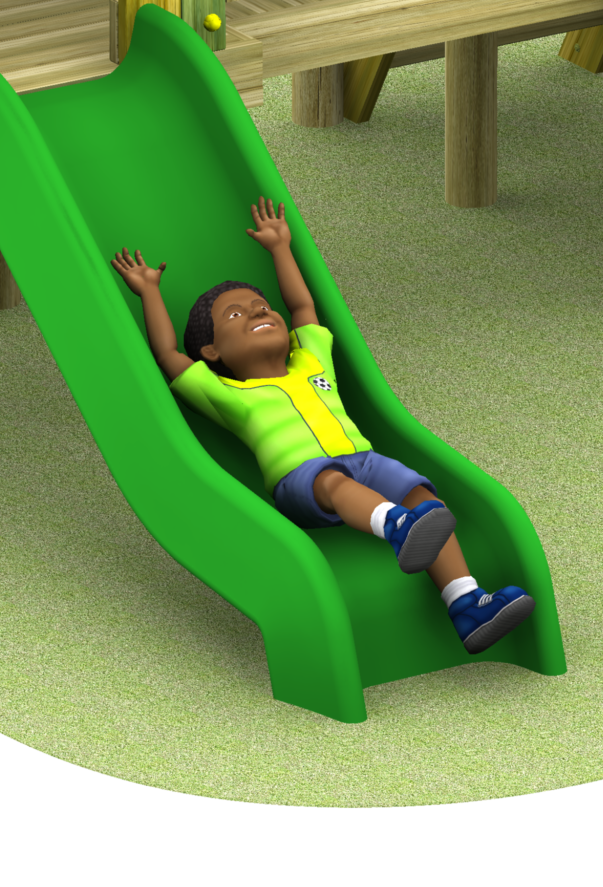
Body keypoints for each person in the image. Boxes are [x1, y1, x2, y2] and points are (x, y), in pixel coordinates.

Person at [111, 198, 538, 654]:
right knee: (332, 481)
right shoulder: (225, 392)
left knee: (425, 499)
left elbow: (301, 305)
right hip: (302, 481)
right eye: (236, 316)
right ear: (213, 353)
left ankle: (466, 602)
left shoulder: (311, 358)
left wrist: (280, 247)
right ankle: (394, 525)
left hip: (366, 460)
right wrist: (149, 291)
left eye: (260, 307)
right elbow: (169, 356)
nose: (259, 313)